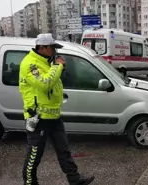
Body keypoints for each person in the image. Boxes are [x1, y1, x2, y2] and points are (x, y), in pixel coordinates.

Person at [19, 33, 95, 185]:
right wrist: (58, 66)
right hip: (38, 118)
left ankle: (75, 180)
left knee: (64, 151)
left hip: (54, 117)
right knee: (34, 155)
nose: (55, 51)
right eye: (52, 48)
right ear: (42, 47)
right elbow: (45, 83)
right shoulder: (29, 64)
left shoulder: (47, 62)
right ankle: (29, 183)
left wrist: (56, 66)